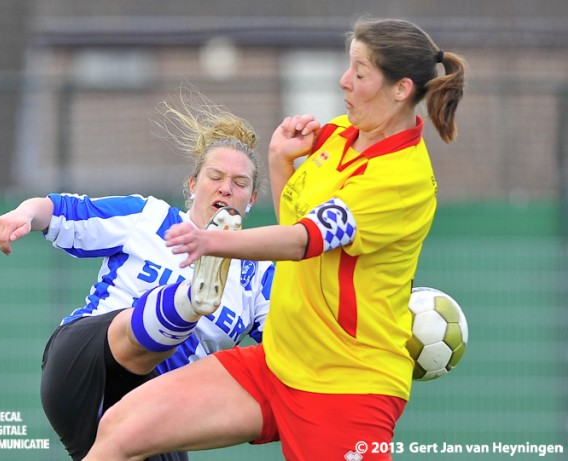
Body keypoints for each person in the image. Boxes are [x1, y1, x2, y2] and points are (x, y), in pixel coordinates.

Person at [82, 17, 467, 461]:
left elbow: (303, 240)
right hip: (277, 364)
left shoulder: (401, 179)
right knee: (119, 429)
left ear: (401, 89)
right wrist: (280, 159)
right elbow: (299, 224)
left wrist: (212, 242)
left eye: (360, 74)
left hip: (346, 388)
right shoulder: (342, 135)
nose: (344, 81)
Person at [0, 90, 274, 461]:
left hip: (157, 407)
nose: (226, 188)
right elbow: (62, 210)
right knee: (133, 331)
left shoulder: (260, 277)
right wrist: (23, 215)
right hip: (86, 366)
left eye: (240, 183)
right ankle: (192, 297)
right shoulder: (149, 217)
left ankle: (194, 293)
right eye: (215, 176)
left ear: (251, 200)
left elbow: (292, 347)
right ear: (192, 186)